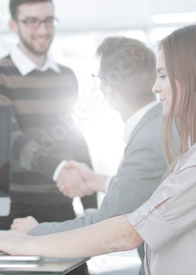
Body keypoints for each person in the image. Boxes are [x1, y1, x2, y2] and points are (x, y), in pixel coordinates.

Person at [0, 23, 196, 275]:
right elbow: (160, 199)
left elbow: (127, 231)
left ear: (195, 76)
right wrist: (99, 181)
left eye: (163, 75)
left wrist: (25, 242)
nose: (155, 87)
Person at [10, 36, 170, 274]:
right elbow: (154, 190)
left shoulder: (148, 140)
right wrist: (99, 181)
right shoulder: (159, 125)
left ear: (107, 86)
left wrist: (33, 232)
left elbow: (106, 228)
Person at [0, 0, 97, 230]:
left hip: (63, 205)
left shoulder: (66, 76)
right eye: (32, 22)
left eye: (48, 20)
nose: (42, 30)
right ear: (13, 25)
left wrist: (90, 201)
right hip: (17, 209)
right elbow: (8, 138)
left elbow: (73, 135)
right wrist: (59, 169)